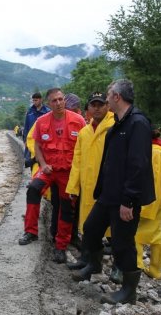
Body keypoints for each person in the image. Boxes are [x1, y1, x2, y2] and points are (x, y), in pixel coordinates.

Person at [71, 79, 155, 305]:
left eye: (108, 95)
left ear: (117, 97)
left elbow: (138, 164)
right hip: (108, 194)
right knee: (90, 228)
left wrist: (128, 200)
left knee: (122, 243)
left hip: (125, 198)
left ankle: (129, 291)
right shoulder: (119, 123)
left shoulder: (137, 123)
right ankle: (95, 264)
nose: (106, 99)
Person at [18, 88, 86, 264]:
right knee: (33, 189)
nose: (58, 103)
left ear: (65, 100)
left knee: (67, 206)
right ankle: (30, 232)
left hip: (68, 172)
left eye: (61, 99)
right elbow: (38, 146)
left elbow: (86, 146)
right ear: (48, 104)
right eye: (54, 101)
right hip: (48, 169)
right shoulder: (41, 122)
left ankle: (61, 246)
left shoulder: (78, 121)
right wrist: (42, 164)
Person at [65, 91, 115, 269]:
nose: (97, 108)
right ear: (88, 109)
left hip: (109, 187)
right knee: (87, 225)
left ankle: (118, 268)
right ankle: (87, 260)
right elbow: (77, 162)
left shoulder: (115, 127)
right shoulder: (84, 132)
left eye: (100, 104)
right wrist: (73, 187)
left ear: (107, 106)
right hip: (87, 187)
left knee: (113, 230)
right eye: (93, 105)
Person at [135, 126, 161, 279]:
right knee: (156, 234)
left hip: (149, 201)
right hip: (160, 199)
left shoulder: (154, 152)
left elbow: (153, 180)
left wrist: (144, 205)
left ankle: (136, 266)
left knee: (134, 235)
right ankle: (155, 270)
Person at [22, 92, 50, 168]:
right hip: (31, 139)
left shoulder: (47, 112)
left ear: (41, 100)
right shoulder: (30, 112)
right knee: (31, 161)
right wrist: (25, 140)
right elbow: (26, 126)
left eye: (36, 100)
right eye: (33, 100)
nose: (34, 102)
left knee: (42, 159)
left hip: (43, 139)